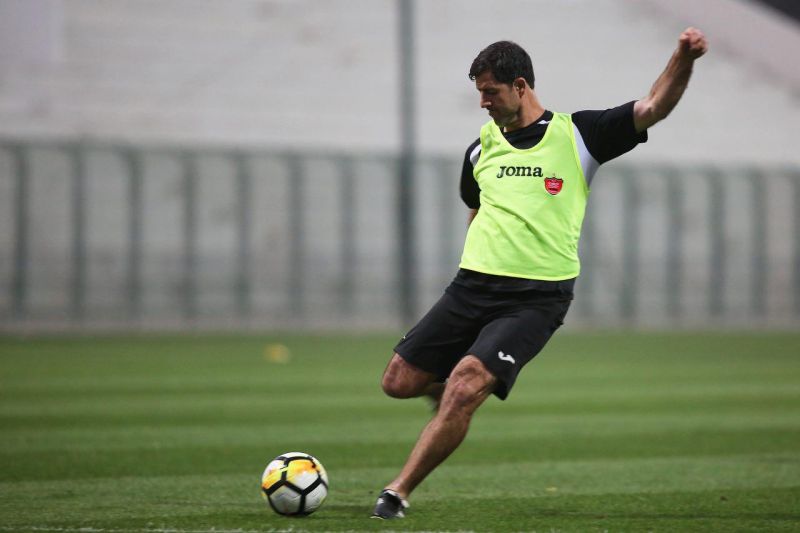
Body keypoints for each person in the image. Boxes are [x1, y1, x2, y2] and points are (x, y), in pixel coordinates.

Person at [371, 27, 708, 519]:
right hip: (471, 287)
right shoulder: (480, 149)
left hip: (535, 298)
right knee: (397, 381)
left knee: (466, 385)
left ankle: (397, 493)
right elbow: (477, 207)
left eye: (491, 92)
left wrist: (684, 57)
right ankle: (444, 392)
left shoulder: (579, 135)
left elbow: (654, 105)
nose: (483, 102)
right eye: (479, 92)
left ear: (521, 86)